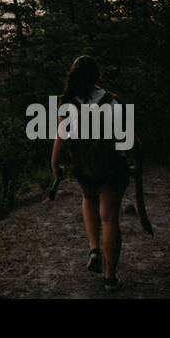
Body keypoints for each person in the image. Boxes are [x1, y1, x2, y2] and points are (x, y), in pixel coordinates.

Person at [50, 55, 130, 292]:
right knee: (110, 218)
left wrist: (55, 163)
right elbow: (125, 139)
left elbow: (61, 136)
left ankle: (94, 248)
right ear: (97, 76)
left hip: (84, 168)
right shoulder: (110, 102)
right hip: (111, 169)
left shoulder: (67, 102)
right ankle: (110, 278)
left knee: (88, 199)